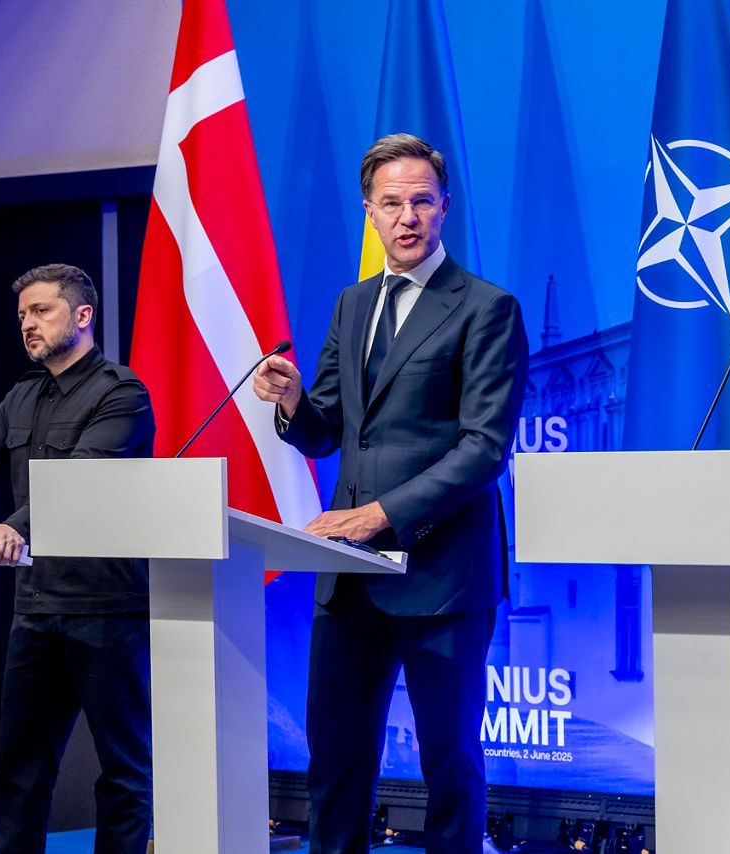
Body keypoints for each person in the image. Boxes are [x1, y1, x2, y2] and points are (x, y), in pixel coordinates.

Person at [253, 133, 528, 854]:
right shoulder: (352, 304)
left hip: (441, 575)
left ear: (444, 208)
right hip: (349, 582)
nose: (407, 217)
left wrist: (381, 514)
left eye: (421, 201)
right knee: (336, 766)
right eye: (390, 203)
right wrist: (290, 403)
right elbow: (329, 433)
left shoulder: (486, 307)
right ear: (369, 213)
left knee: (450, 765)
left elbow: (484, 449)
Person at [0, 264, 155, 854]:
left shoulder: (122, 393)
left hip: (107, 610)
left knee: (123, 770)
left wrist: (14, 528)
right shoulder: (22, 395)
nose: (27, 325)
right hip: (35, 608)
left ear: (83, 315)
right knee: (19, 769)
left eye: (41, 311)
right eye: (22, 317)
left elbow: (82, 478)